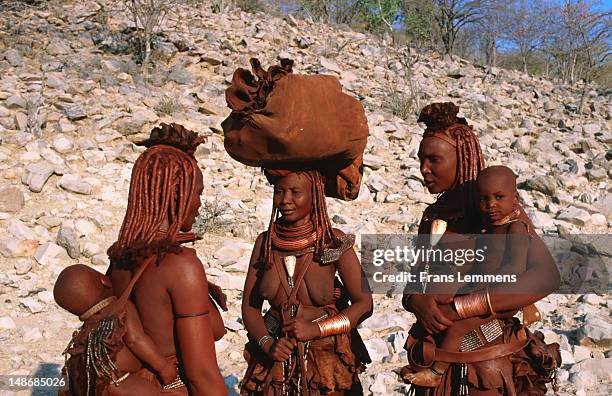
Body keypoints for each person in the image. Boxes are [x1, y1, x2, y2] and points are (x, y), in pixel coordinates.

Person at [401, 103, 561, 396]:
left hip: (486, 357)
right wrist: (417, 301)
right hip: (435, 349)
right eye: (421, 159)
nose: (424, 169)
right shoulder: (433, 216)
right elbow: (415, 277)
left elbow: (546, 277)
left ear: (462, 159)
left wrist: (463, 307)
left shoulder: (500, 214)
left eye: (434, 159)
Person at [106, 123, 227, 395]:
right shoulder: (180, 265)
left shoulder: (121, 256)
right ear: (176, 194)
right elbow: (202, 376)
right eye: (197, 193)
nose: (198, 204)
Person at [240, 169, 372, 395]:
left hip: (326, 360)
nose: (285, 200)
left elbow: (364, 304)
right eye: (279, 191)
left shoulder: (334, 241)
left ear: (316, 195)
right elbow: (250, 308)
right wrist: (268, 344)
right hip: (275, 359)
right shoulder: (265, 244)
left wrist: (315, 329)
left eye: (295, 192)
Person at [403, 165, 533, 388]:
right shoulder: (485, 227)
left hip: (497, 298)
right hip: (477, 292)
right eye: (484, 199)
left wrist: (482, 287)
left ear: (515, 197)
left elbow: (516, 266)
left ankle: (436, 371)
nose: (491, 205)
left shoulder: (516, 228)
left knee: (457, 327)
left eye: (499, 197)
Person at [55, 264, 178, 395]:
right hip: (119, 381)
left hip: (91, 386)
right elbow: (136, 340)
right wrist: (163, 367)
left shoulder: (85, 330)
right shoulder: (120, 308)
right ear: (105, 281)